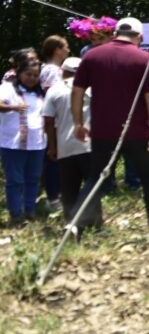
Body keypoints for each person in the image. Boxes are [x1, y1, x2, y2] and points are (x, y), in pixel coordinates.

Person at [72, 17, 149, 237]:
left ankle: (76, 225)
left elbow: (77, 91)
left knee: (95, 178)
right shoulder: (145, 59)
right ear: (140, 37)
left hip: (102, 130)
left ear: (115, 33)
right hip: (136, 131)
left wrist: (78, 123)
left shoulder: (92, 56)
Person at [42, 57, 94, 223]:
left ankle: (71, 222)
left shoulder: (54, 90)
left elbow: (48, 120)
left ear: (63, 72)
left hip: (65, 146)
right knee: (92, 185)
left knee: (69, 187)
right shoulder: (92, 88)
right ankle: (94, 221)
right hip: (89, 145)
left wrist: (52, 146)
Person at [0, 60, 46, 225]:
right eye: (28, 74)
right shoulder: (8, 88)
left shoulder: (40, 92)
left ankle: (30, 210)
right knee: (15, 180)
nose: (32, 78)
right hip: (13, 144)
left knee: (33, 178)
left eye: (35, 75)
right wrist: (13, 107)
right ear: (19, 73)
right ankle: (16, 214)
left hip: (37, 143)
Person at [39, 34, 71, 208]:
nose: (68, 50)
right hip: (55, 121)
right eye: (65, 46)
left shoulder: (50, 69)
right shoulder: (52, 71)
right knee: (54, 157)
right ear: (57, 50)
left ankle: (55, 193)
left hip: (55, 120)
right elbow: (54, 97)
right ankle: (54, 197)